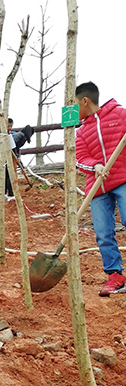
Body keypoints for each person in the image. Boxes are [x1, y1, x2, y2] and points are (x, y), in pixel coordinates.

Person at [75, 81, 126, 296]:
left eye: (75, 103)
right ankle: (115, 276)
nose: (73, 108)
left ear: (85, 101)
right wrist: (95, 166)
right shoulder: (81, 132)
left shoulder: (120, 115)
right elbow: (79, 158)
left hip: (123, 178)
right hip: (96, 188)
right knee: (104, 233)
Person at [0, 119, 33, 197]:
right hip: (1, 154)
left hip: (0, 154)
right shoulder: (20, 135)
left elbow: (16, 149)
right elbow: (12, 145)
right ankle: (10, 195)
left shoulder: (18, 135)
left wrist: (19, 161)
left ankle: (4, 194)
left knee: (6, 174)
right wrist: (16, 156)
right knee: (10, 174)